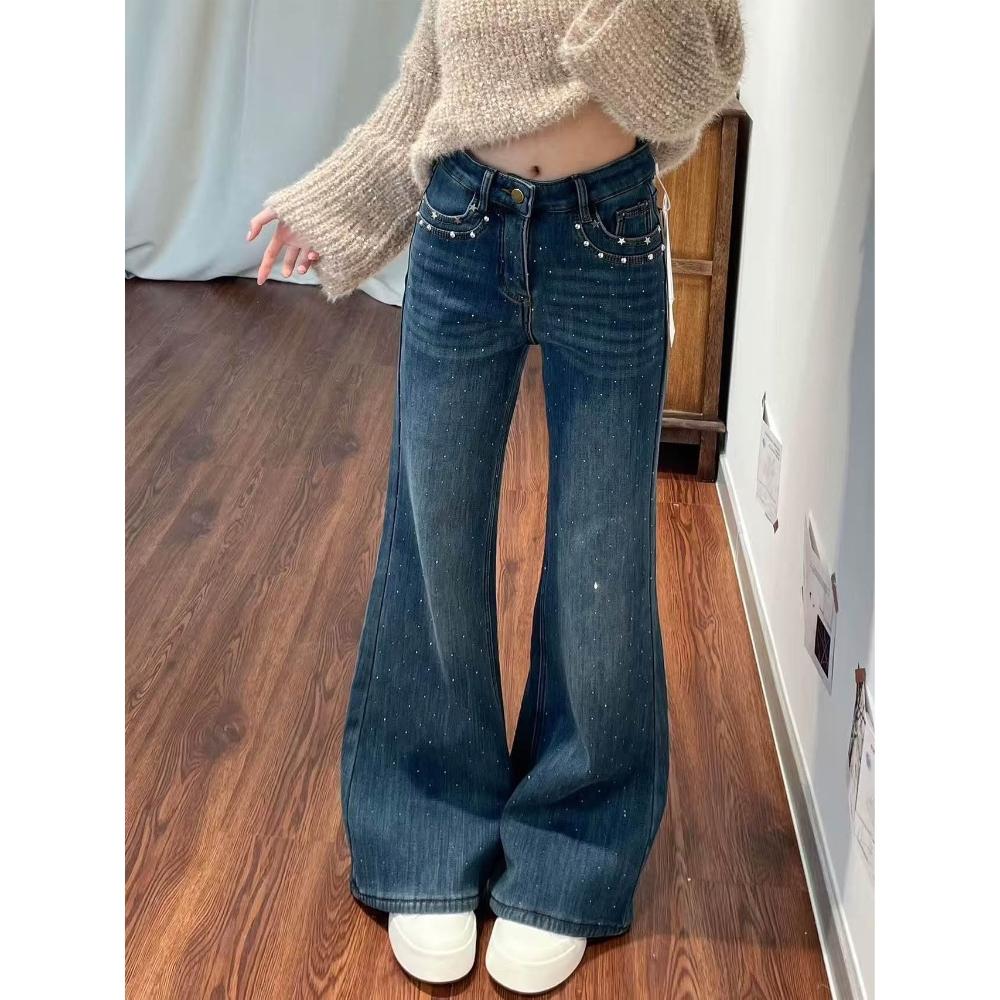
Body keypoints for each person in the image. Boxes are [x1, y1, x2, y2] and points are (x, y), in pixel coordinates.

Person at [247, 1, 744, 992]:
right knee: (431, 533)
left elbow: (703, 79)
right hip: (463, 229)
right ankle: (427, 829)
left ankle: (572, 848)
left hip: (610, 237)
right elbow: (430, 88)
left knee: (602, 559)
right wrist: (333, 200)